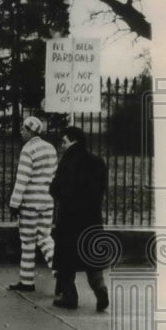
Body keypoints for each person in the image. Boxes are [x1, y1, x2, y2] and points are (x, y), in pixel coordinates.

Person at [50, 126, 111, 312]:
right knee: (92, 258)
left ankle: (70, 296)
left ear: (72, 141)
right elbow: (102, 189)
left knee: (66, 261)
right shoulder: (98, 162)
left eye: (64, 141)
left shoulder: (68, 162)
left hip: (70, 219)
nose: (61, 145)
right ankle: (100, 290)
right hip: (92, 218)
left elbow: (56, 189)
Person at [7, 115, 57, 293]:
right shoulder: (50, 148)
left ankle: (27, 281)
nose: (21, 132)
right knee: (45, 237)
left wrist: (14, 203)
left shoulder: (28, 150)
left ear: (30, 131)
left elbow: (22, 180)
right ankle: (60, 273)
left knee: (27, 241)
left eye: (23, 129)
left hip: (30, 202)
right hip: (47, 199)